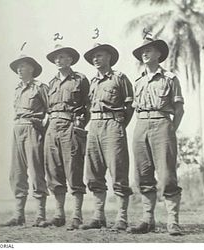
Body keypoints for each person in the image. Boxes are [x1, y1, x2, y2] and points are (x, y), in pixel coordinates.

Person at [128, 37, 185, 235]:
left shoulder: (170, 78)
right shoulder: (139, 81)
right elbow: (135, 108)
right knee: (142, 174)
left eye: (149, 50)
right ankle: (147, 219)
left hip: (162, 124)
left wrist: (170, 130)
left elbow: (179, 110)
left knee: (167, 175)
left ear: (159, 54)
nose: (145, 54)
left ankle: (173, 221)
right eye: (142, 51)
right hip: (141, 125)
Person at [80, 43, 134, 231]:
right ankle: (98, 216)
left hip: (113, 126)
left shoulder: (120, 78)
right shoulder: (92, 82)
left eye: (100, 55)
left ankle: (122, 217)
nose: (96, 59)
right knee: (94, 172)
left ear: (109, 57)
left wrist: (119, 125)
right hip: (94, 126)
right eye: (93, 57)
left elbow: (129, 106)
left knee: (118, 171)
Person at [0, 54, 49, 227]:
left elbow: (51, 111)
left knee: (36, 171)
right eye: (17, 67)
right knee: (17, 173)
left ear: (32, 69)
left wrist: (43, 128)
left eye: (23, 66)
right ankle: (18, 215)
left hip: (33, 129)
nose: (19, 70)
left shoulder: (40, 87)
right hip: (17, 129)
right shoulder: (17, 88)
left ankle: (41, 216)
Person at [44, 44, 90, 230]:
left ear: (70, 59)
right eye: (55, 58)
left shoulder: (80, 79)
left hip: (70, 126)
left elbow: (88, 106)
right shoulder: (52, 83)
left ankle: (77, 216)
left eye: (62, 57)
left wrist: (79, 125)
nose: (58, 60)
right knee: (54, 171)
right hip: (52, 127)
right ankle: (59, 215)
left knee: (74, 170)